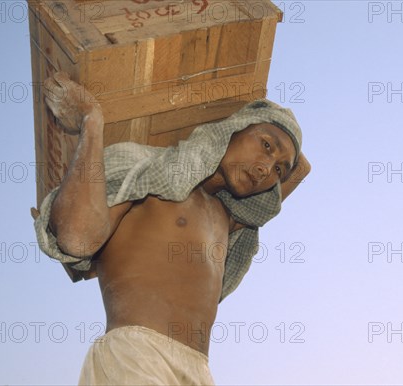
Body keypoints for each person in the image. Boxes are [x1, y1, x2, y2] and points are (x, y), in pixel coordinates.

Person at [32, 72, 311, 385]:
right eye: (265, 145)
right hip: (138, 356)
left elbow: (302, 169)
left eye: (278, 169)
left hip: (199, 371)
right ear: (233, 129)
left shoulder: (227, 219)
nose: (265, 169)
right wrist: (92, 121)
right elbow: (77, 239)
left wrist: (275, 132)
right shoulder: (147, 170)